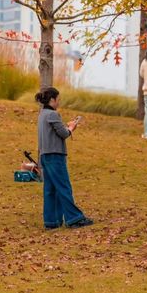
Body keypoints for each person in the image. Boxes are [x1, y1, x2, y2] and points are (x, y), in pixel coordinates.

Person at [35, 88, 93, 229]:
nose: (59, 102)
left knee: (50, 189)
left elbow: (55, 131)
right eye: (58, 99)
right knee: (63, 187)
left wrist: (65, 127)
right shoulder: (53, 115)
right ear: (52, 100)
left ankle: (51, 221)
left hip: (45, 155)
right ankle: (74, 218)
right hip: (55, 155)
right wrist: (71, 127)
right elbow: (64, 134)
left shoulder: (42, 114)